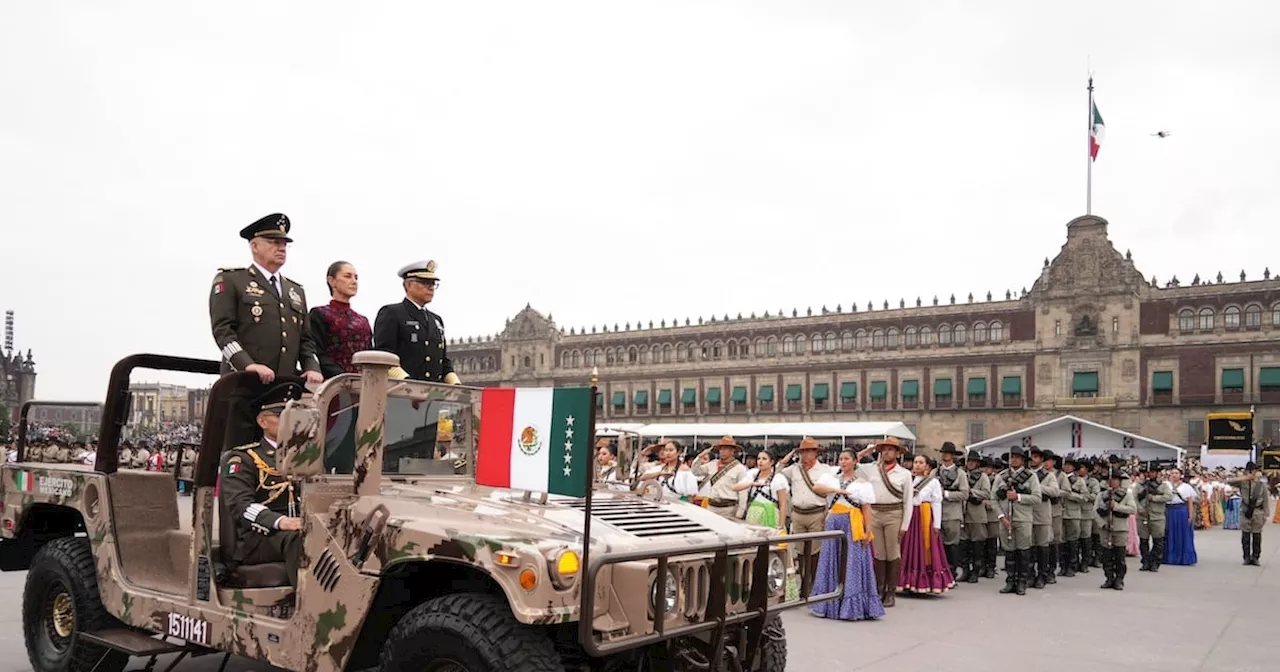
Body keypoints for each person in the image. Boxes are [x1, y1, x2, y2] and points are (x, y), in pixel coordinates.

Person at [208, 213, 323, 385]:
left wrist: (312, 367)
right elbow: (223, 332)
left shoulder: (295, 290)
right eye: (274, 242)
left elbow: (305, 340)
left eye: (284, 244)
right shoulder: (232, 280)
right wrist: (247, 365)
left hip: (284, 385)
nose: (282, 248)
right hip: (243, 382)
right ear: (255, 246)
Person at [219, 380, 307, 588]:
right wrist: (280, 521)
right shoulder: (244, 458)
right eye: (281, 416)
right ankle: (310, 607)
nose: (289, 422)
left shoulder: (305, 456)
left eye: (292, 416)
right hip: (260, 536)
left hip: (297, 528)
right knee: (297, 539)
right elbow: (240, 505)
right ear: (262, 422)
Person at [809, 449, 884, 621]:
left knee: (853, 561)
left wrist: (868, 530)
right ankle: (828, 601)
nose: (843, 462)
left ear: (854, 462)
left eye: (846, 459)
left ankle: (853, 604)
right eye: (841, 459)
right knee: (830, 559)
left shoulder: (862, 483)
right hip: (834, 519)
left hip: (853, 521)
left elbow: (867, 508)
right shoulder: (831, 478)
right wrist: (840, 491)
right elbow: (817, 487)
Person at [373, 260, 459, 384]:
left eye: (433, 284)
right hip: (401, 391)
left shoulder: (436, 320)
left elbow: (443, 361)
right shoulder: (392, 313)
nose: (430, 288)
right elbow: (385, 355)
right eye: (425, 283)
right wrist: (407, 382)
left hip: (434, 394)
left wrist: (456, 384)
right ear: (409, 285)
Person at [854, 437, 913, 608]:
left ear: (897, 453)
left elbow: (908, 501)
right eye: (884, 449)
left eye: (890, 449)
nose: (886, 452)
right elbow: (853, 463)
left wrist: (905, 525)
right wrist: (868, 451)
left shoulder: (904, 474)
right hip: (874, 513)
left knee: (893, 553)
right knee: (879, 553)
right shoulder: (872, 469)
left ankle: (891, 592)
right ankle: (879, 589)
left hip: (894, 513)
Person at [898, 456, 954, 594]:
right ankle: (906, 581)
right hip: (909, 515)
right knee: (907, 547)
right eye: (915, 462)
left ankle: (924, 581)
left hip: (924, 516)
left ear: (927, 466)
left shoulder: (933, 482)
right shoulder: (908, 480)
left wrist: (937, 524)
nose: (917, 465)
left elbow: (936, 502)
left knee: (924, 547)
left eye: (921, 463)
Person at [308, 260, 372, 379]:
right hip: (334, 384)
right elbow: (318, 352)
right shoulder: (320, 314)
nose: (354, 281)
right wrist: (343, 376)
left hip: (364, 383)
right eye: (347, 276)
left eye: (356, 277)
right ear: (331, 281)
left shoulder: (363, 320)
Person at [993, 446, 1040, 596]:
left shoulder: (1031, 477)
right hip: (1006, 519)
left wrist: (1018, 497)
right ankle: (1010, 581)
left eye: (1017, 457)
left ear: (1023, 460)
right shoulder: (1001, 476)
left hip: (1023, 519)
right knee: (1009, 552)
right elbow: (993, 499)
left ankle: (1022, 582)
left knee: (1023, 552)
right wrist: (1001, 517)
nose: (1014, 459)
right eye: (1012, 457)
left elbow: (1037, 498)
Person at [1095, 468, 1136, 590]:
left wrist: (1117, 507)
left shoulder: (1126, 495)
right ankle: (1109, 578)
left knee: (1119, 556)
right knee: (1106, 555)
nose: (1112, 482)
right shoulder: (1101, 495)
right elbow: (1095, 511)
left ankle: (1119, 579)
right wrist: (1102, 524)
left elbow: (1132, 509)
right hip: (1105, 529)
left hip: (1120, 528)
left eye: (1115, 480)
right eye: (1110, 479)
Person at [936, 442, 970, 582]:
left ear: (952, 456)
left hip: (953, 513)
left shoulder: (960, 474)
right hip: (938, 513)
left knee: (952, 544)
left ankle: (952, 572)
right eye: (943, 452)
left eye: (947, 453)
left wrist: (947, 494)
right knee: (940, 544)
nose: (945, 455)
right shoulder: (935, 472)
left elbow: (965, 494)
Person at [732, 450, 789, 532]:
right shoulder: (752, 474)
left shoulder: (778, 478)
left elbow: (783, 503)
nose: (760, 461)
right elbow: (735, 487)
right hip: (753, 512)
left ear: (771, 462)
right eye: (759, 459)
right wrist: (751, 483)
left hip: (771, 512)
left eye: (764, 459)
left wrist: (781, 525)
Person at [692, 436, 748, 520]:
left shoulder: (740, 468)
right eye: (721, 449)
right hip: (711, 506)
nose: (722, 451)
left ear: (732, 451)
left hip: (728, 508)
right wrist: (700, 457)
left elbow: (743, 492)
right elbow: (695, 471)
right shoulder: (713, 464)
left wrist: (740, 512)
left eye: (725, 449)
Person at [1027, 446, 1059, 588]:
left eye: (1035, 457)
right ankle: (1029, 574)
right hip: (1026, 514)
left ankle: (1042, 575)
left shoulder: (1048, 475)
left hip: (1042, 514)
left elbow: (1054, 491)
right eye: (1031, 457)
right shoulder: (1025, 474)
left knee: (1042, 546)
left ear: (1040, 460)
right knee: (1029, 546)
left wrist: (1036, 487)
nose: (1033, 459)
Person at [1135, 461, 1173, 572]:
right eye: (1148, 472)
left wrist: (1154, 498)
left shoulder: (1163, 486)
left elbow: (1168, 497)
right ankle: (1145, 562)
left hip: (1157, 516)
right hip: (1143, 517)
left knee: (1158, 541)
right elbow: (1134, 498)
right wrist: (1140, 509)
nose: (1150, 474)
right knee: (1143, 541)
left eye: (1152, 472)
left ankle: (1155, 562)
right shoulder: (1139, 486)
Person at [958, 450, 990, 583]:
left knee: (977, 544)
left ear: (977, 463)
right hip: (963, 513)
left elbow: (987, 493)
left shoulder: (983, 477)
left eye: (973, 461)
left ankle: (975, 571)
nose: (970, 463)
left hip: (977, 514)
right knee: (963, 544)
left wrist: (971, 492)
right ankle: (965, 570)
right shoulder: (962, 475)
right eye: (969, 461)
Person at [1232, 462, 1270, 566]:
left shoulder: (1261, 485)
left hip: (1258, 512)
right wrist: (1244, 478)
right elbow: (1229, 482)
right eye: (1250, 471)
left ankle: (1255, 557)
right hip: (1245, 510)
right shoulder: (1242, 483)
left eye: (1253, 471)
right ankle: (1246, 557)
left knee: (1257, 535)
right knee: (1245, 536)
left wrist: (1266, 514)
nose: (1252, 473)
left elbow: (1265, 499)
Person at [634, 441, 698, 502]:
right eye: (666, 450)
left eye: (671, 450)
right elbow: (642, 478)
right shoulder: (660, 468)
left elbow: (691, 495)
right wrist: (660, 474)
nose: (668, 453)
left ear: (678, 452)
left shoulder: (685, 470)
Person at [1060, 457, 1090, 577]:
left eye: (1069, 465)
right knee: (1062, 541)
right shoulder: (1060, 478)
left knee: (1073, 541)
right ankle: (1063, 566)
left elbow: (1085, 497)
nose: (1066, 467)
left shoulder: (1078, 480)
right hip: (1060, 513)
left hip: (1073, 513)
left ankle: (1072, 566)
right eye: (1065, 464)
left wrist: (1069, 494)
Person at [1163, 468, 1198, 566]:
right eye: (1172, 473)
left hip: (1181, 511)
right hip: (1168, 510)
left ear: (1180, 475)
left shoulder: (1186, 487)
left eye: (1176, 473)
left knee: (1182, 533)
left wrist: (1190, 515)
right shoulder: (1165, 485)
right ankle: (1168, 556)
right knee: (1168, 533)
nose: (1174, 475)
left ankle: (1183, 557)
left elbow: (1190, 502)